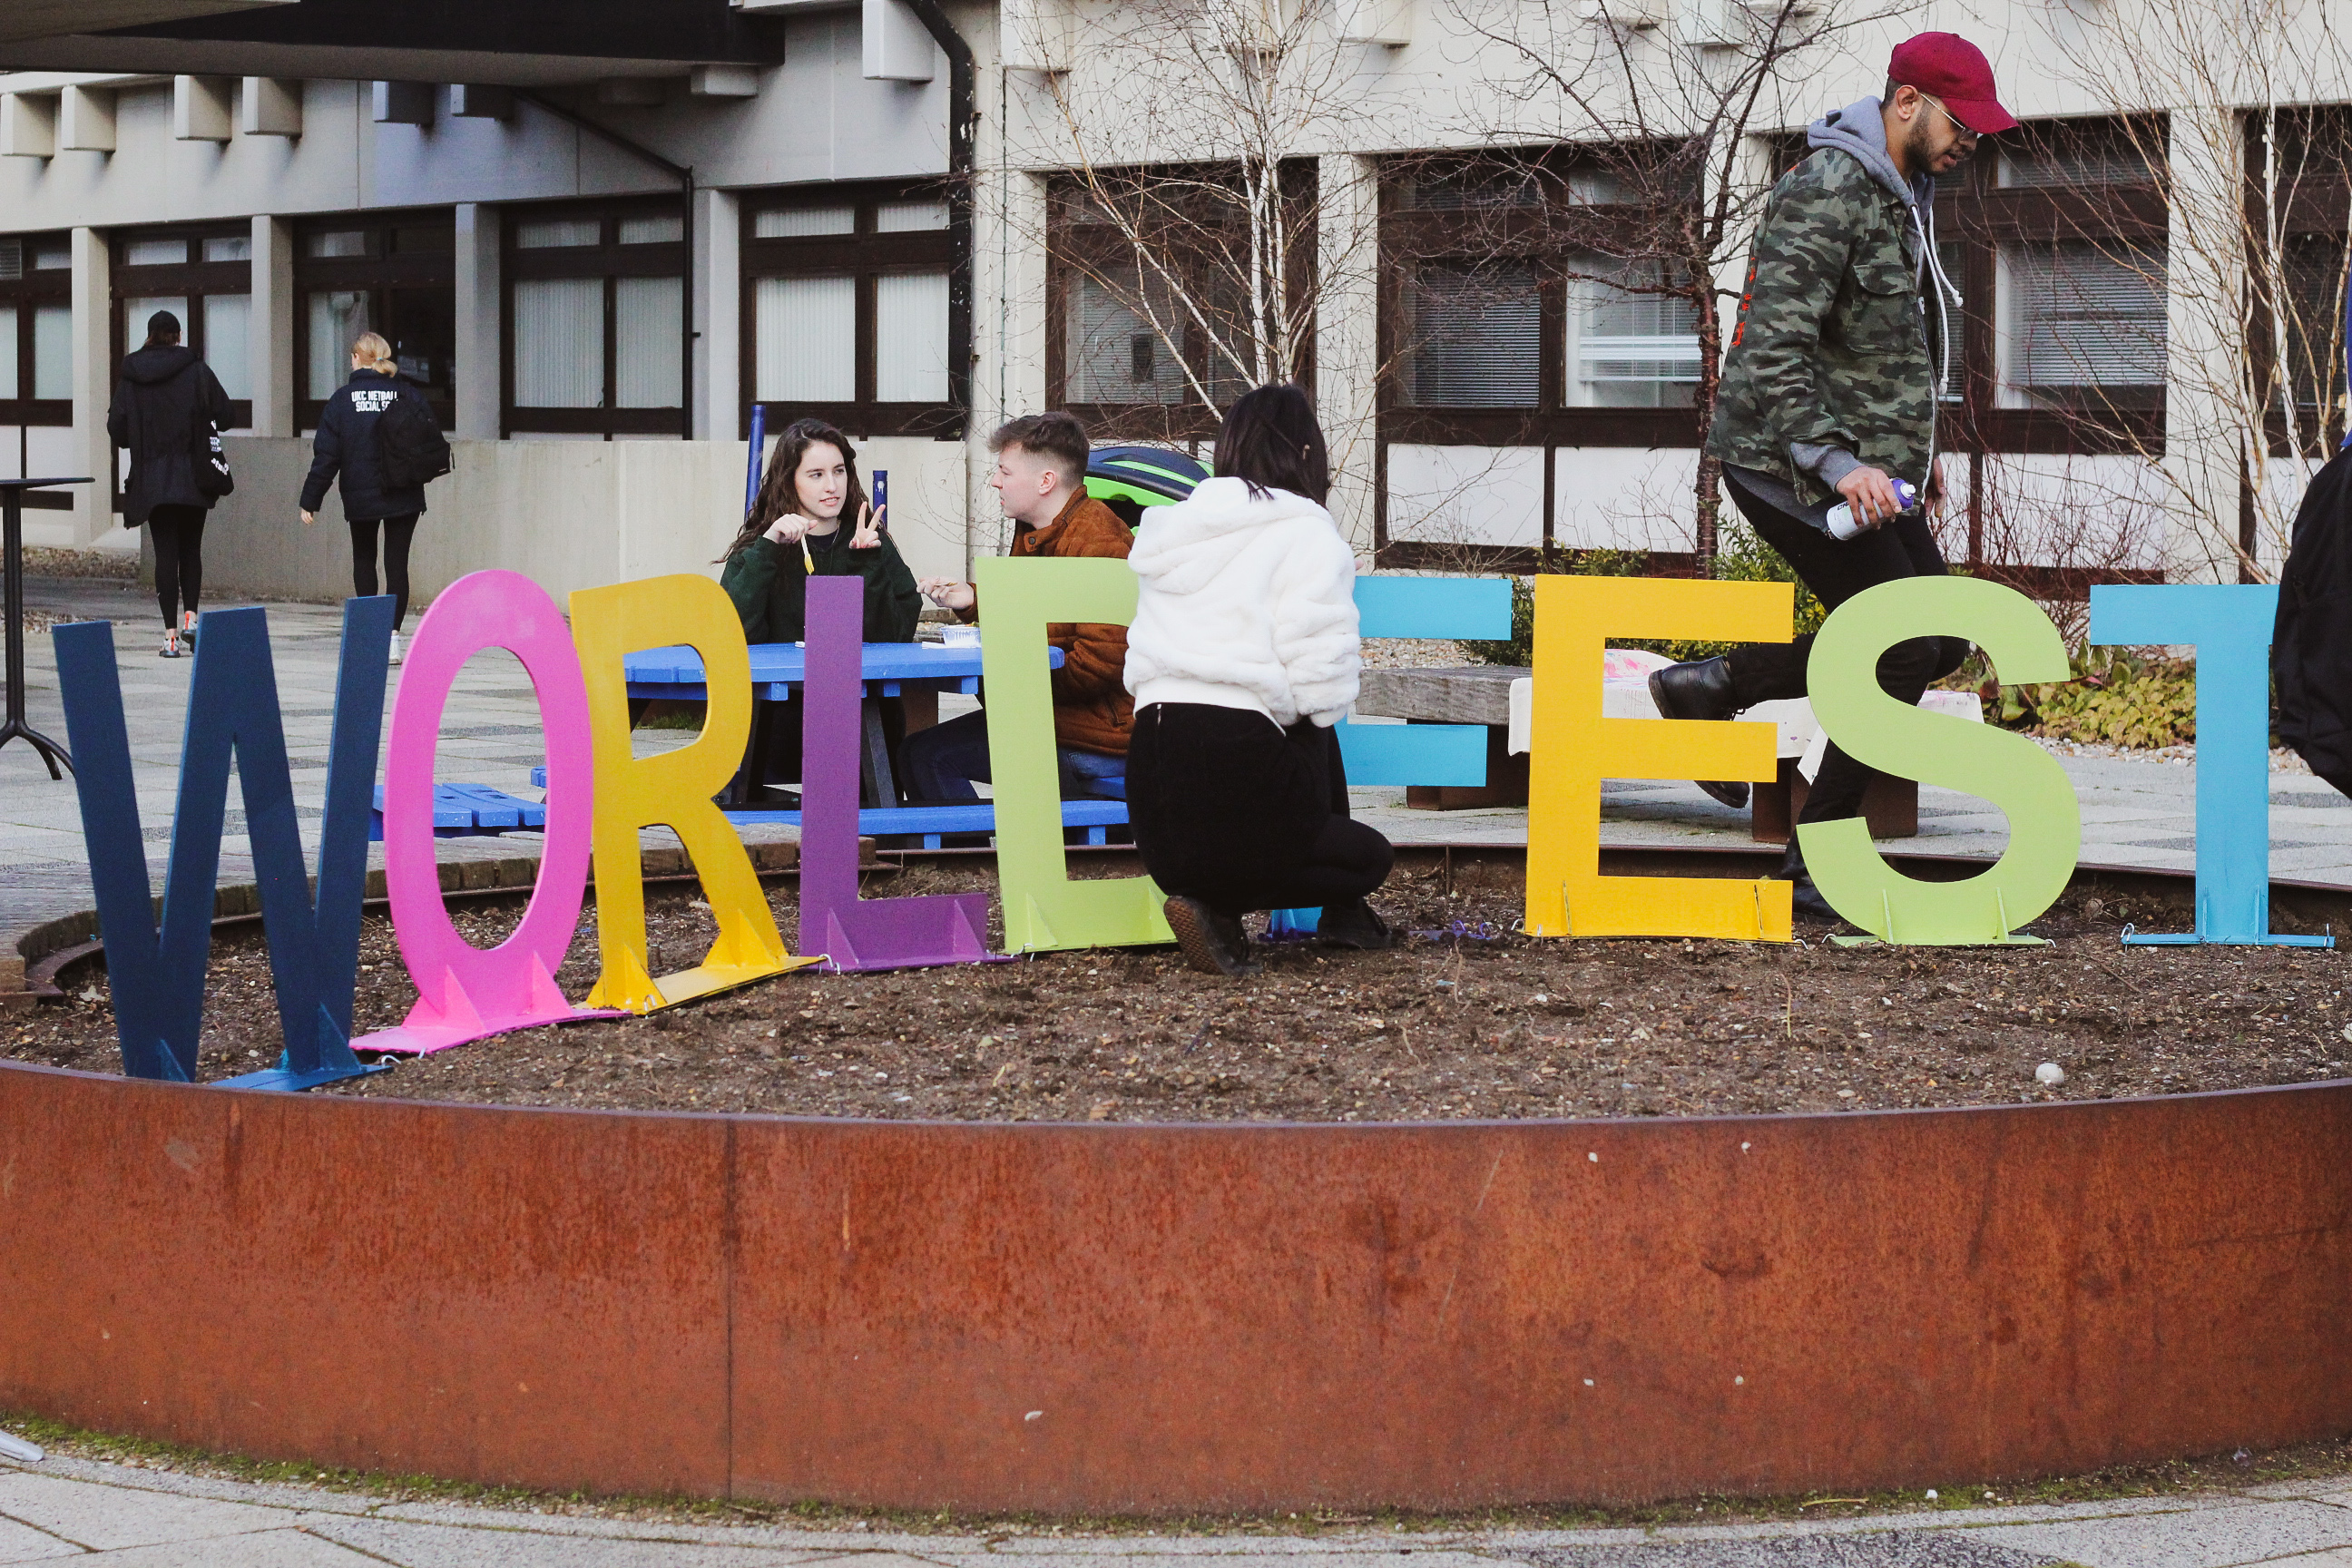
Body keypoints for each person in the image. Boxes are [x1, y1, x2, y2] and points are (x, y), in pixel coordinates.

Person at [1650, 32, 2016, 919]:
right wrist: (1841, 462)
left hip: (1859, 466)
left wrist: (1904, 462)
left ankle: (1712, 688)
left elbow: (1875, 348)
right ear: (1905, 105)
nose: (1973, 140)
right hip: (1787, 463)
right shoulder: (1825, 193)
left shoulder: (1896, 195)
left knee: (1943, 639)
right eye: (1961, 123)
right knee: (1898, 646)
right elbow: (1774, 353)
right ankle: (1816, 856)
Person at [1122, 383, 1396, 977]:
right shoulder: (1306, 532)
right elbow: (1319, 683)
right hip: (1239, 758)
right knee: (1366, 855)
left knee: (1291, 739)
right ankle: (1317, 908)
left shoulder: (1171, 530)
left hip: (1153, 779)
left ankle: (1205, 900)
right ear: (1304, 452)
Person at [902, 411, 1135, 804]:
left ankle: (972, 864)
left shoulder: (1100, 540)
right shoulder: (1036, 530)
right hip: (1054, 717)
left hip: (1101, 736)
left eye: (1005, 472)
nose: (994, 480)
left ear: (1046, 481)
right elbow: (1040, 612)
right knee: (913, 750)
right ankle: (965, 857)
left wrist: (1012, 683)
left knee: (931, 755)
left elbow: (1099, 665)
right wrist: (974, 600)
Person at [717, 417, 922, 806]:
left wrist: (867, 562)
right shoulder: (762, 544)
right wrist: (769, 547)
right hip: (777, 719)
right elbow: (733, 630)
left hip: (861, 719)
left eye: (839, 471)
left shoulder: (870, 540)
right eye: (816, 474)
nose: (832, 486)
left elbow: (893, 636)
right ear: (788, 480)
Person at [299, 332, 432, 665]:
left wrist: (311, 498)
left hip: (361, 493)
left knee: (364, 558)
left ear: (357, 359)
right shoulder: (408, 394)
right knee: (396, 563)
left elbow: (326, 455)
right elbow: (431, 438)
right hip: (404, 490)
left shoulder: (343, 400)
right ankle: (392, 639)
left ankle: (371, 635)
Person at [107, 309, 231, 660]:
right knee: (191, 549)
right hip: (195, 476)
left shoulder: (131, 376)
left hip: (153, 481)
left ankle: (170, 639)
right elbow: (226, 415)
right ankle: (192, 619)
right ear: (177, 335)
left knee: (166, 554)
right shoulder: (196, 370)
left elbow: (117, 430)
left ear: (149, 335)